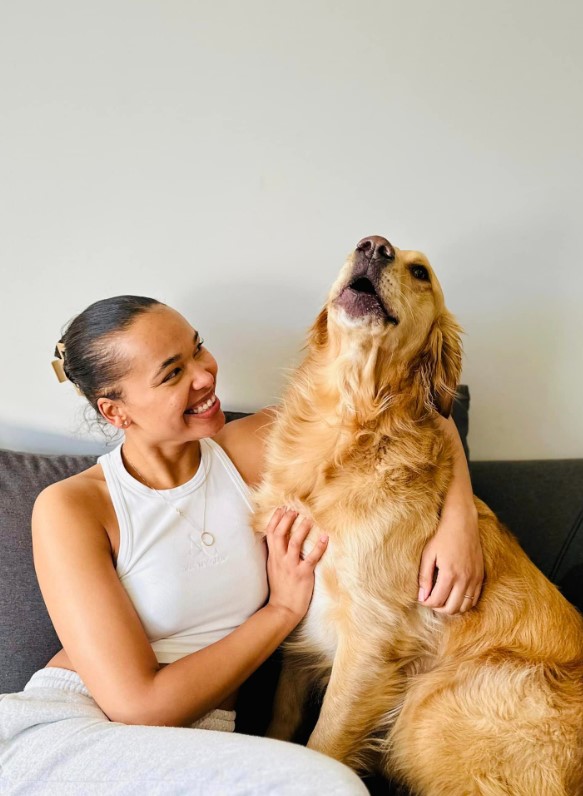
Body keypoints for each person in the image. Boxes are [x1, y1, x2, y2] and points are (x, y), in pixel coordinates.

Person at [0, 296, 483, 795]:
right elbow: (138, 706)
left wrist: (459, 520)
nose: (205, 375)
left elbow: (413, 402)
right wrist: (280, 610)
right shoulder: (73, 506)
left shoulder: (256, 446)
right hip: (76, 735)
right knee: (325, 786)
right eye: (172, 374)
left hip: (202, 749)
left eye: (198, 349)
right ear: (115, 410)